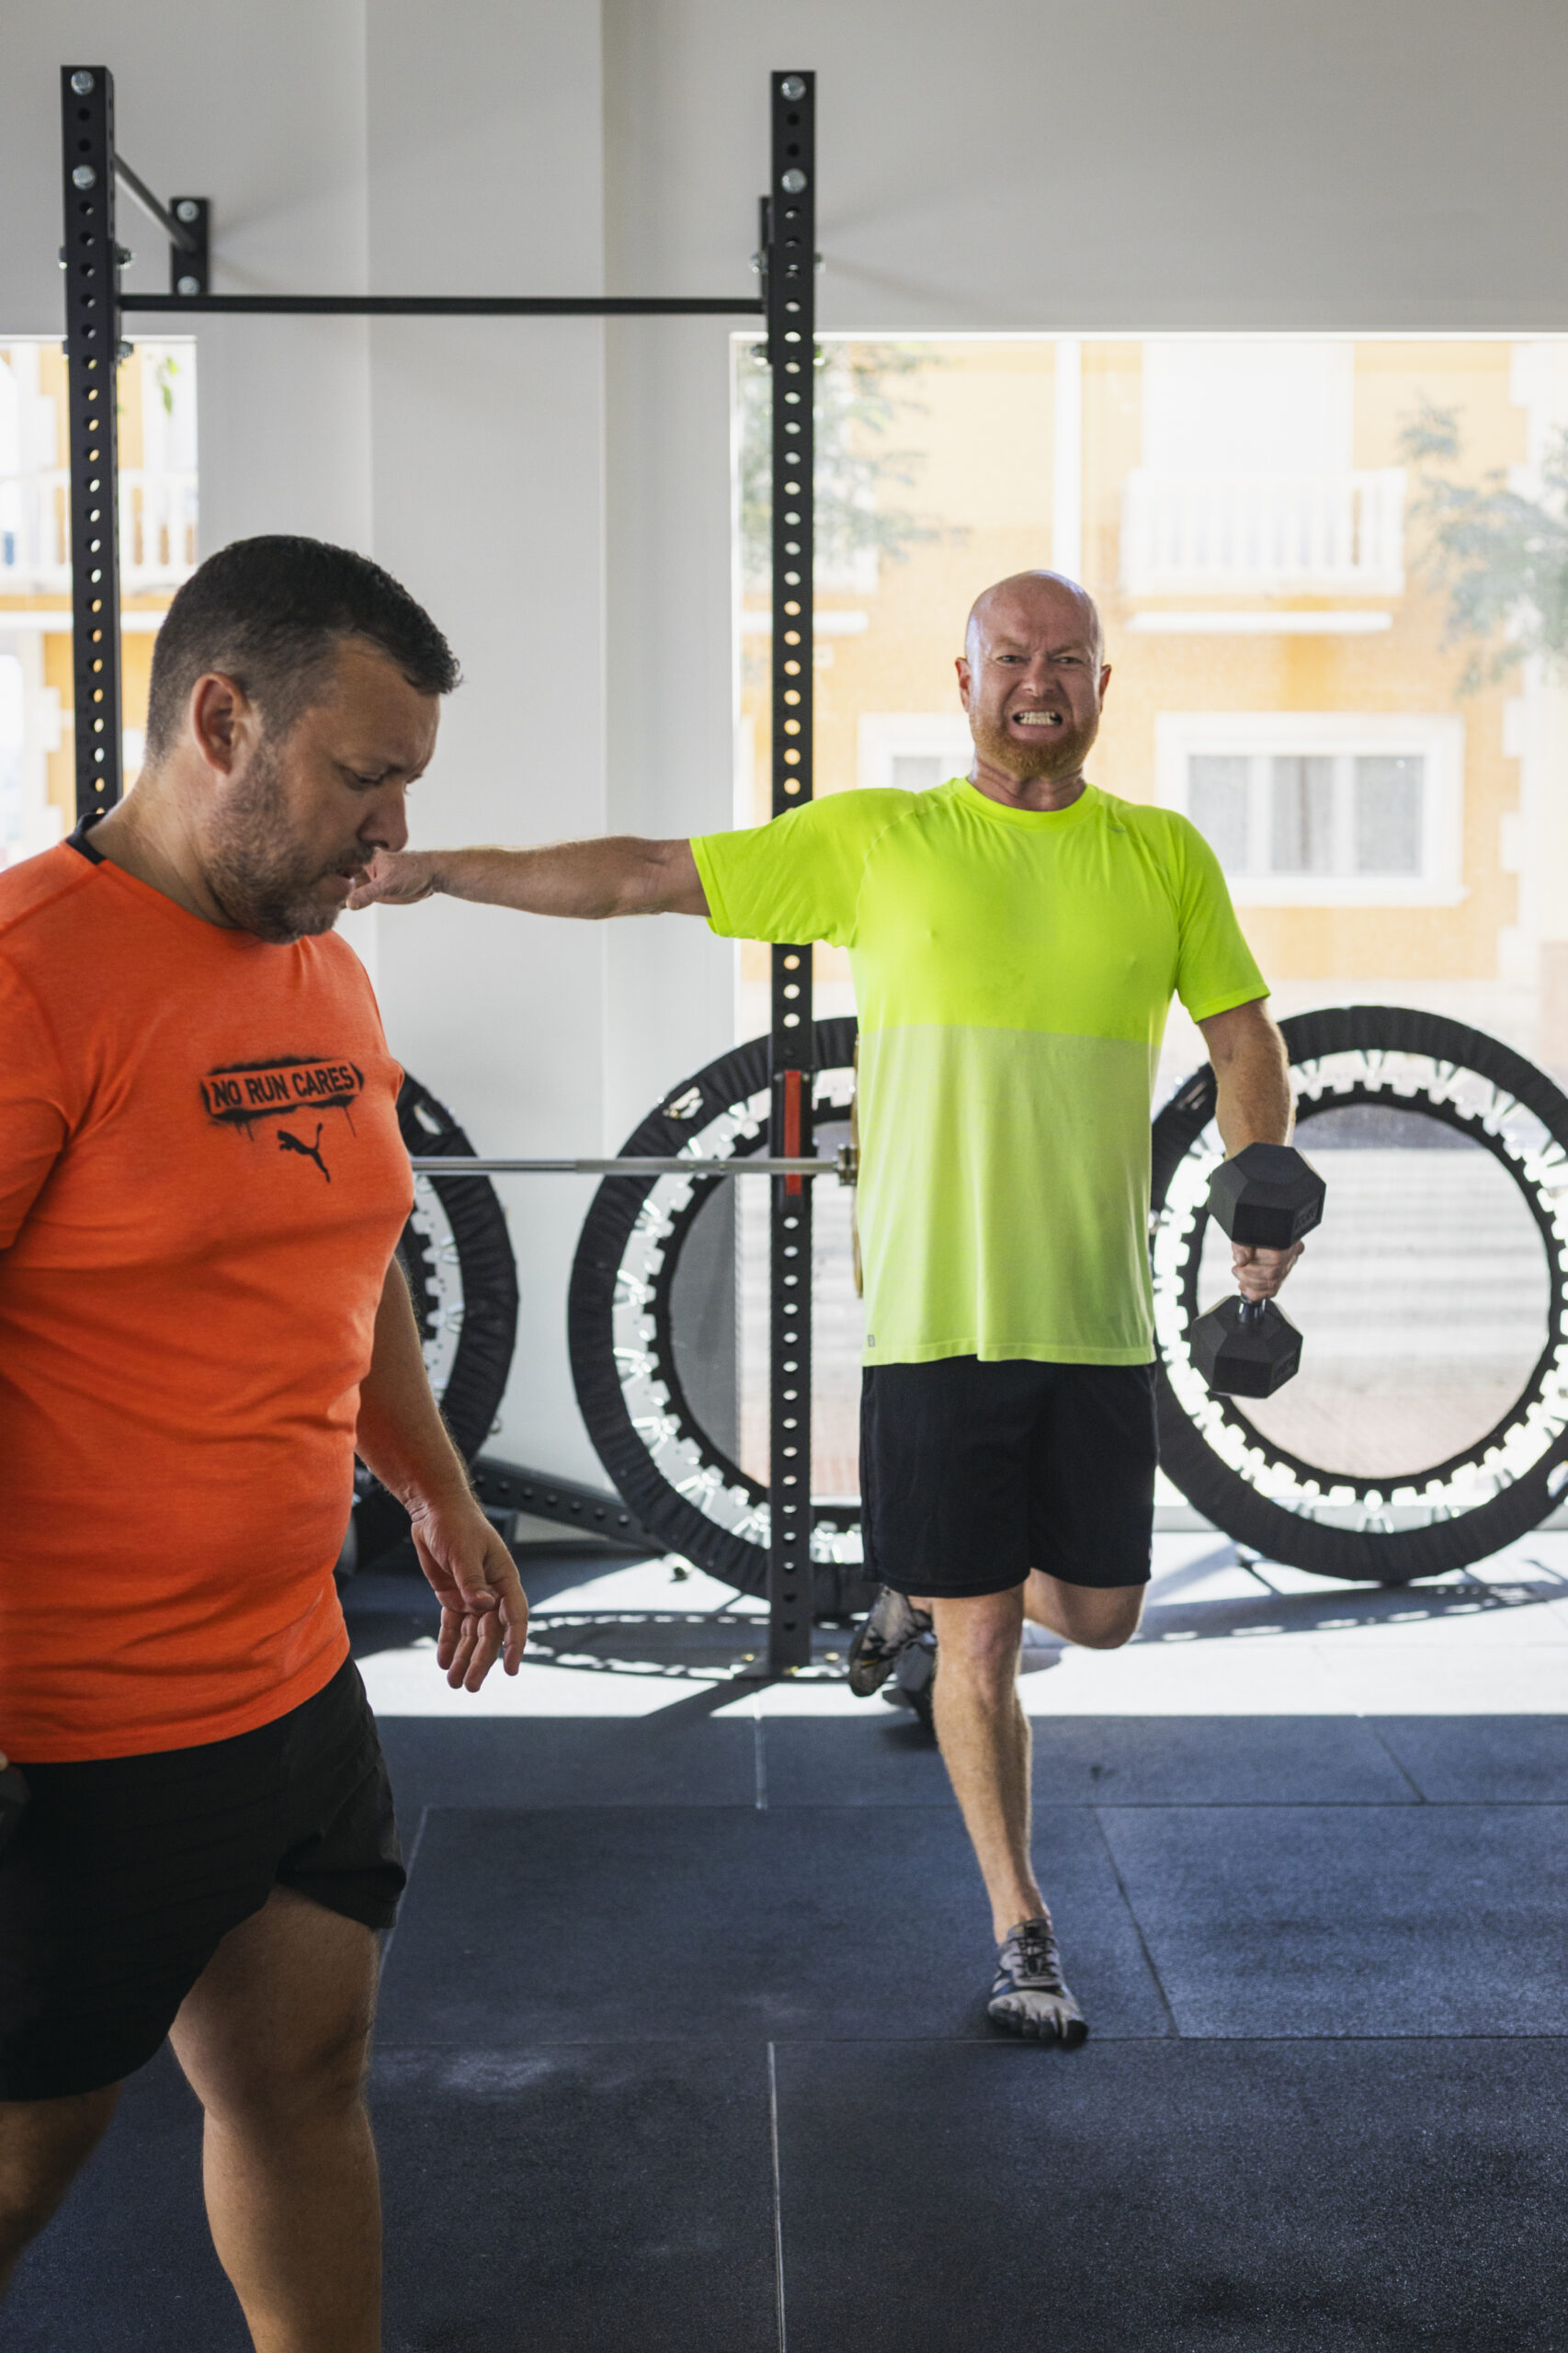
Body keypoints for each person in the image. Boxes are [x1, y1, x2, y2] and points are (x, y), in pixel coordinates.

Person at [347, 569, 1300, 2042]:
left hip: (1096, 1316)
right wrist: (445, 869)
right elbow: (643, 874)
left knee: (1099, 1619)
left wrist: (1261, 1195)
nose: (1035, 681)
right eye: (1007, 658)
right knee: (984, 1650)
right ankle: (1022, 1931)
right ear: (964, 681)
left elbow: (1245, 1040)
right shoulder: (879, 839)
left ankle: (919, 1569)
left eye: (1064, 659)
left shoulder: (1161, 855)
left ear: (1103, 687)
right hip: (931, 1316)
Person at [0, 536, 528, 2347]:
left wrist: (434, 1483)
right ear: (224, 719)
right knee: (22, 2170)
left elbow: (348, 1239)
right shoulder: (27, 978)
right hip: (71, 1740)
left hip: (292, 1684)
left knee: (302, 2069)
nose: (387, 842)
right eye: (363, 780)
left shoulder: (323, 974)